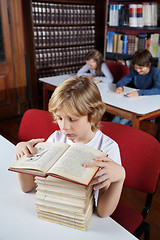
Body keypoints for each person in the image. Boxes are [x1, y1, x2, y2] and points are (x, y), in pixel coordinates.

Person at [15, 76, 125, 218]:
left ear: (92, 115)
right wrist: (22, 156)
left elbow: (103, 212)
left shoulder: (108, 148)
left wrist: (120, 177)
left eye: (72, 119)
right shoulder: (56, 138)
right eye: (59, 118)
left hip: (81, 217)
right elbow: (27, 187)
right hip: (54, 209)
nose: (64, 127)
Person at [112, 49, 160, 125]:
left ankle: (115, 131)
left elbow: (158, 90)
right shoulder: (134, 71)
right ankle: (112, 131)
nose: (137, 70)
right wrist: (120, 86)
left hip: (149, 103)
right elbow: (123, 81)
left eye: (141, 68)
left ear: (149, 65)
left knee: (124, 118)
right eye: (136, 67)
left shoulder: (155, 72)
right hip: (136, 102)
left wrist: (139, 92)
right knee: (120, 115)